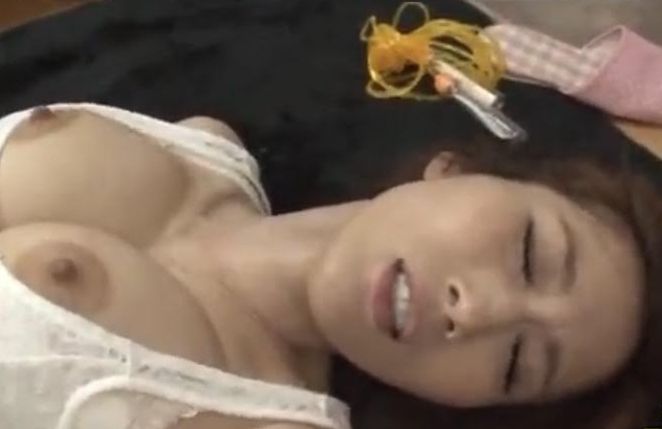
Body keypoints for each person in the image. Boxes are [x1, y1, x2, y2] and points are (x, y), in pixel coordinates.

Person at [0, 102, 659, 429]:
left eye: (516, 363)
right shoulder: (205, 146)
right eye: (530, 254)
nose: (479, 311)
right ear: (459, 169)